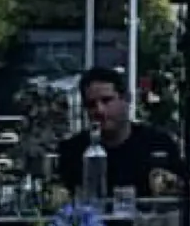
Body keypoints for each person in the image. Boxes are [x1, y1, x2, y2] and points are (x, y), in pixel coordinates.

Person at [58, 65, 177, 198]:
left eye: (107, 100)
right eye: (91, 105)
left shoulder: (158, 145)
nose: (99, 110)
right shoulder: (72, 151)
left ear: (126, 99)